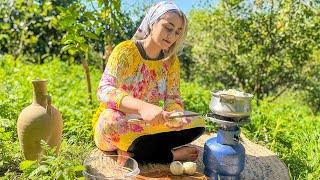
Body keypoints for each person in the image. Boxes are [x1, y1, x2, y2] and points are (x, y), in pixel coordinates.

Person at [92, 1, 205, 164]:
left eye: (177, 32)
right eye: (168, 27)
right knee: (111, 122)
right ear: (152, 22)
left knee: (197, 121)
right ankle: (170, 156)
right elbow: (104, 90)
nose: (172, 36)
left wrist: (175, 113)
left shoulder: (171, 61)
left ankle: (131, 150)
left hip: (150, 125)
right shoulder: (125, 51)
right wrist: (142, 107)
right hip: (120, 122)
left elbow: (173, 99)